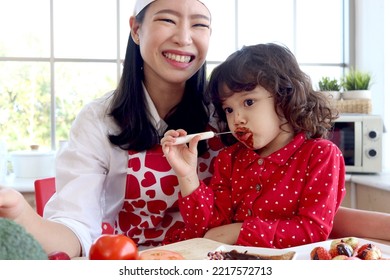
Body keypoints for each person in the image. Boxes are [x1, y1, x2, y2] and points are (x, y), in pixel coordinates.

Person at [0, 0, 389, 258]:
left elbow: (301, 210)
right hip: (135, 261)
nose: (184, 37)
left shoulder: (225, 110)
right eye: (167, 19)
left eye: (199, 24)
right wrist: (25, 218)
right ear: (136, 29)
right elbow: (75, 227)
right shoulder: (100, 119)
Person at [161, 43, 346, 248]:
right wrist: (187, 175)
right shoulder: (228, 159)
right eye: (229, 109)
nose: (237, 118)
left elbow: (313, 230)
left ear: (284, 97)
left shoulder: (321, 155)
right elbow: (206, 229)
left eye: (248, 102)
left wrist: (239, 230)